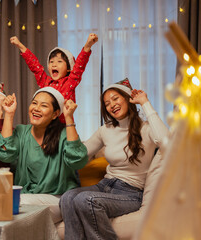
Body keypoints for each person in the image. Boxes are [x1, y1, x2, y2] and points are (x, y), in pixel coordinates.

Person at [60, 78, 169, 240]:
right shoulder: (105, 130)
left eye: (115, 98)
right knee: (67, 197)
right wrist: (69, 119)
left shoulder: (146, 128)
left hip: (130, 193)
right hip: (105, 185)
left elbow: (166, 142)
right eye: (107, 103)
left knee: (86, 200)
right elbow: (80, 155)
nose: (111, 105)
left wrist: (144, 102)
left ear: (127, 99)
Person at [0, 87, 88, 223]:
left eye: (43, 105)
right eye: (34, 103)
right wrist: (8, 114)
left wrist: (68, 118)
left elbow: (78, 161)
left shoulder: (63, 134)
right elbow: (4, 155)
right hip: (26, 198)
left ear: (55, 114)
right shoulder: (21, 132)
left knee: (11, 203)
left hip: (59, 199)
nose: (36, 108)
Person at [10, 33, 98, 104]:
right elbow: (35, 66)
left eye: (59, 61)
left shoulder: (70, 82)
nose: (54, 65)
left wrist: (87, 46)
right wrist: (20, 46)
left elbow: (79, 65)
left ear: (69, 68)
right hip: (46, 124)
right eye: (51, 62)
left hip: (65, 124)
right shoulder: (45, 82)